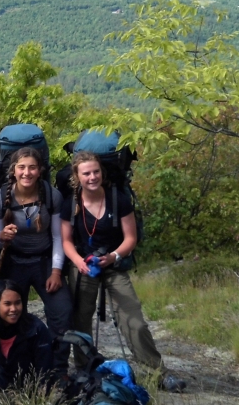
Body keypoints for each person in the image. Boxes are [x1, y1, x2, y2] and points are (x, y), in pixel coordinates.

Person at [60, 151, 186, 392]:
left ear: (102, 172)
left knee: (134, 321)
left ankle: (157, 372)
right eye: (86, 173)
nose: (92, 177)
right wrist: (78, 261)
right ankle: (84, 369)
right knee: (80, 320)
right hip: (84, 266)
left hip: (114, 265)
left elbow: (131, 238)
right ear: (77, 176)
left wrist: (113, 257)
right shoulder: (72, 204)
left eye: (96, 171)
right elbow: (65, 240)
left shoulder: (118, 200)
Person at [0, 147, 72, 378]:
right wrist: (2, 237)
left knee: (62, 311)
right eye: (21, 167)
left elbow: (57, 236)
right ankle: (13, 368)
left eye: (32, 167)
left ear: (40, 170)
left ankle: (58, 369)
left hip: (44, 261)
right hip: (14, 263)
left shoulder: (51, 195)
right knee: (9, 315)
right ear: (13, 171)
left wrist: (56, 272)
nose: (27, 172)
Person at [0, 280, 53, 404]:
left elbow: (45, 374)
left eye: (18, 303)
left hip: (27, 394)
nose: (14, 309)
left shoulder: (36, 330)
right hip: (0, 386)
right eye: (7, 304)